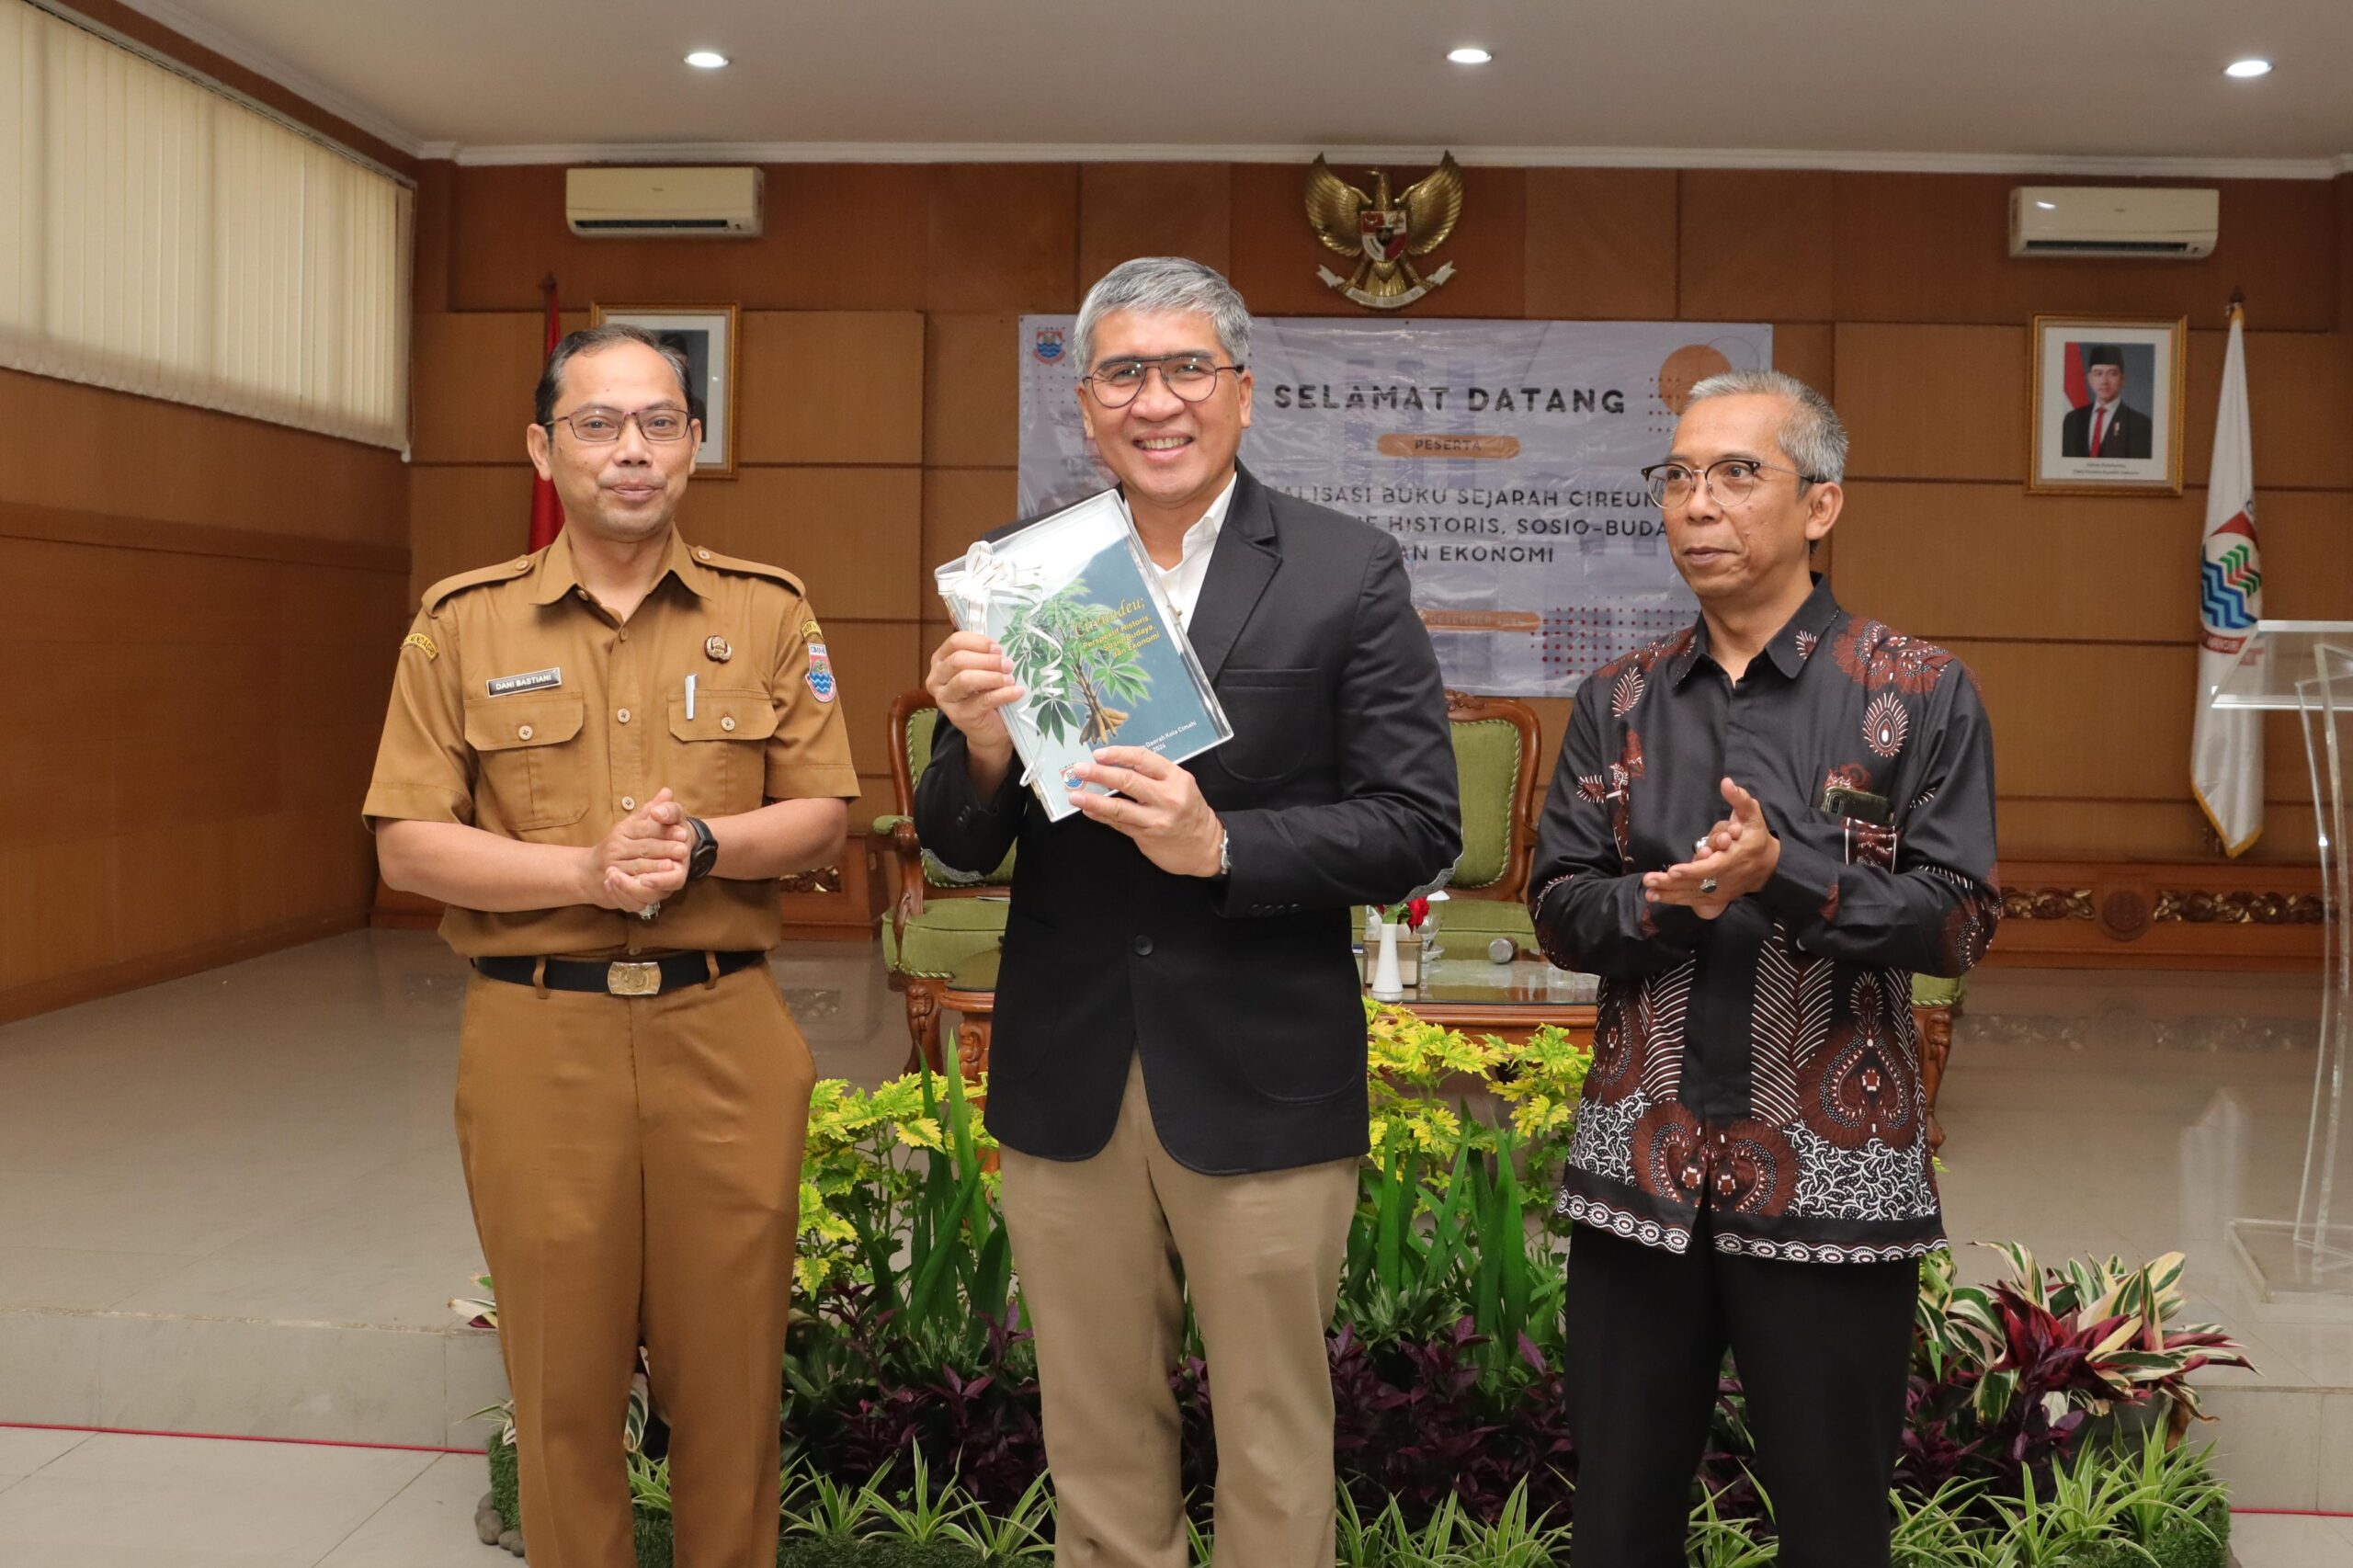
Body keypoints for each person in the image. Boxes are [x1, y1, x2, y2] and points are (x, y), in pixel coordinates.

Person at [915, 256, 1460, 1567]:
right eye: (1123, 374)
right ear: (1087, 405)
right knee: (1094, 1423)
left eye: (1186, 369)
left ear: (1243, 391)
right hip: (1070, 1059)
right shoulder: (1030, 575)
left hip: (1261, 1061)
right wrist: (980, 742)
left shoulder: (1345, 568)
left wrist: (1222, 843)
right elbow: (956, 839)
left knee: (1274, 1426)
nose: (1156, 401)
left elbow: (1417, 824)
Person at [364, 324, 858, 1568]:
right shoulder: (461, 623)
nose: (629, 449)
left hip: (725, 1028)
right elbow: (408, 846)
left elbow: (823, 813)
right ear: (543, 445)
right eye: (596, 423)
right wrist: (582, 870)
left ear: (695, 443)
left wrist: (702, 847)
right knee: (563, 1385)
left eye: (658, 422)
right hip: (539, 1031)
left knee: (734, 1379)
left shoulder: (768, 609)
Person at [1528, 369, 2000, 1567]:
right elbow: (1559, 908)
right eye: (1678, 475)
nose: (1699, 502)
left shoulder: (1919, 691)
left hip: (1835, 1190)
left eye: (1738, 473)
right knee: (1620, 1529)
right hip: (1640, 1173)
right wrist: (1670, 899)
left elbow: (1956, 924)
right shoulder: (1616, 698)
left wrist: (1780, 875)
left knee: (1836, 1532)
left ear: (1821, 504)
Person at [2060, 345, 2153, 459]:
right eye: (2098, 373)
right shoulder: (2072, 419)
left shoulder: (2141, 425)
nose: (2104, 381)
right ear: (2090, 379)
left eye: (2112, 374)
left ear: (2123, 379)